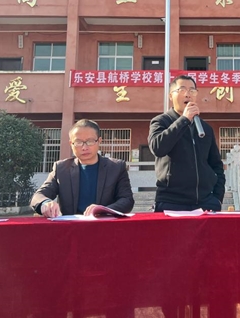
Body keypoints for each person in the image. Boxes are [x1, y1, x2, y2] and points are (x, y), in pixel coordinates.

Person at [148, 75, 225, 212]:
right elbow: (157, 148)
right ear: (171, 96)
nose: (187, 94)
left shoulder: (205, 128)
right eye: (182, 90)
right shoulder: (161, 121)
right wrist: (184, 120)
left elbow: (216, 165)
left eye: (192, 91)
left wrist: (217, 198)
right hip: (171, 202)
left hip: (206, 202)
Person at [31, 119, 134, 217]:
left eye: (90, 141)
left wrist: (103, 210)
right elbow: (38, 196)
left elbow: (127, 200)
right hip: (71, 227)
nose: (84, 147)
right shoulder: (61, 169)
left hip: (104, 225)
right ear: (71, 144)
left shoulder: (116, 167)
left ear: (99, 141)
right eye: (78, 142)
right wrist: (46, 203)